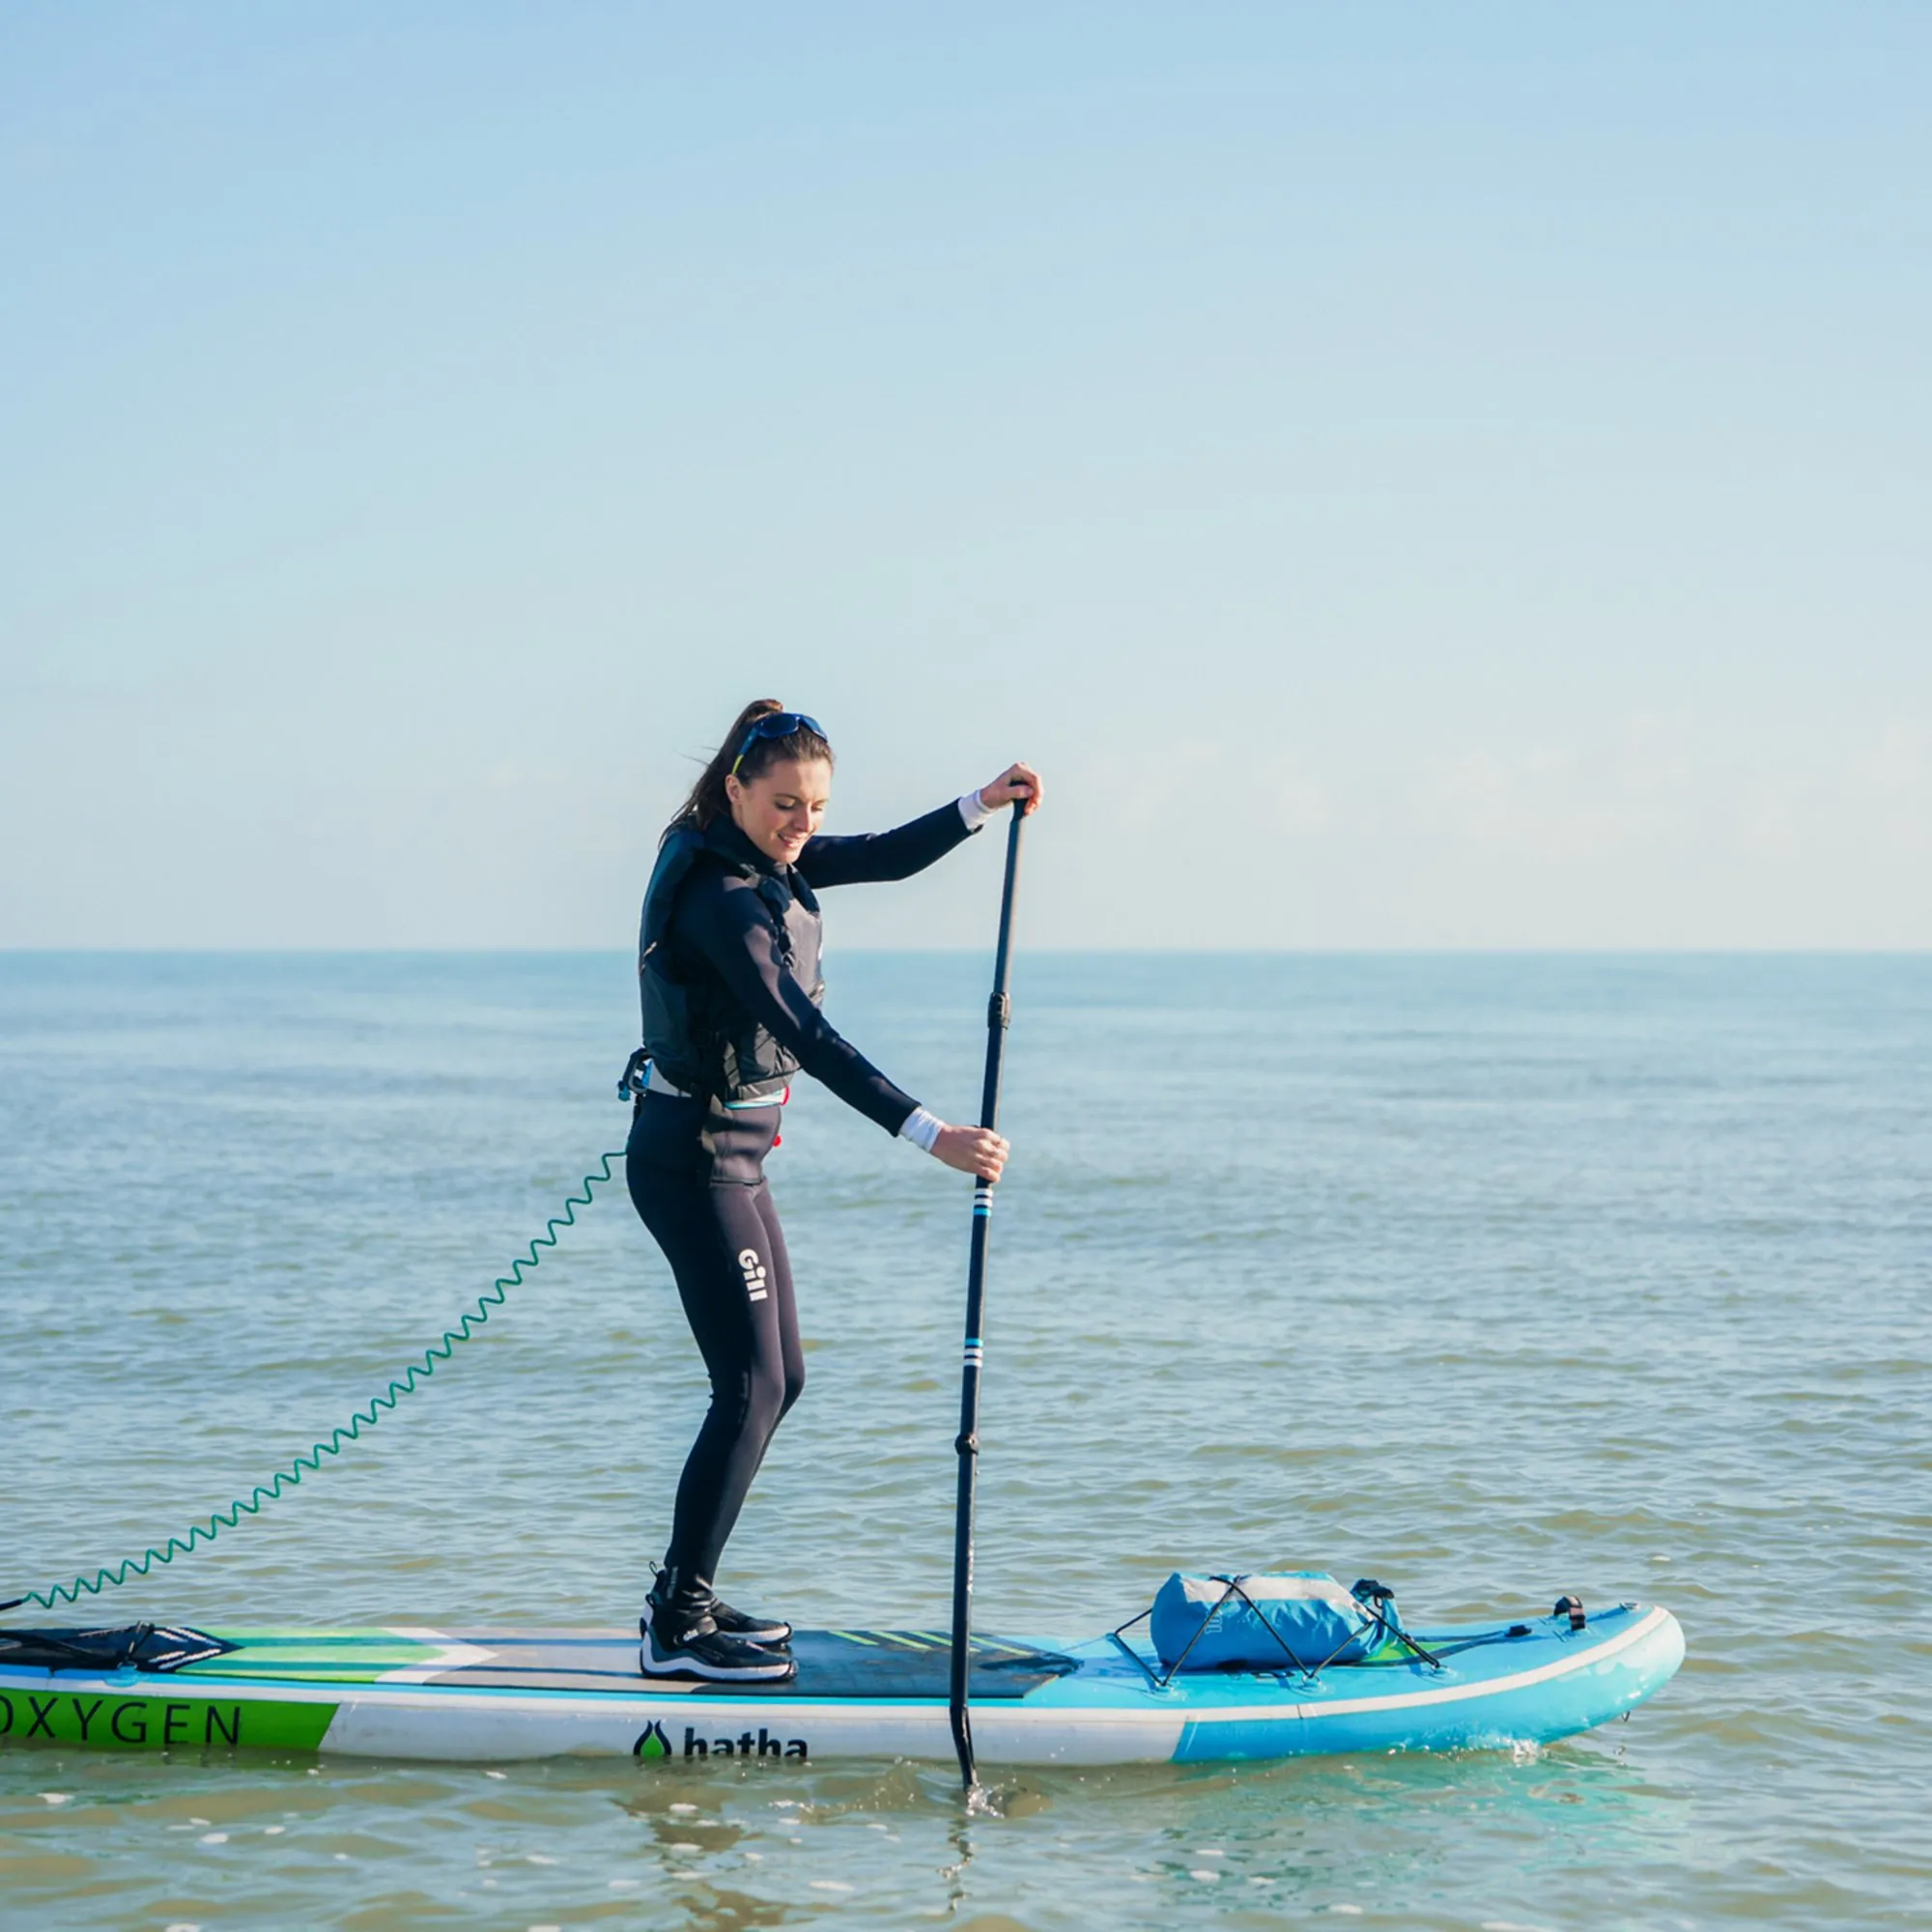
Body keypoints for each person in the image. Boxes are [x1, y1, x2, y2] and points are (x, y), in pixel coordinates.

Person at [625, 699, 1042, 1682]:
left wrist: (980, 803)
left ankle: (683, 1589)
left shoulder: (761, 852)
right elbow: (804, 1038)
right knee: (751, 1382)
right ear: (734, 788)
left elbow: (884, 855)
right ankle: (675, 1626)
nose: (800, 825)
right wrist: (928, 1130)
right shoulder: (722, 899)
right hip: (691, 1157)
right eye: (782, 806)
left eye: (813, 806)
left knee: (782, 1378)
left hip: (732, 1153)